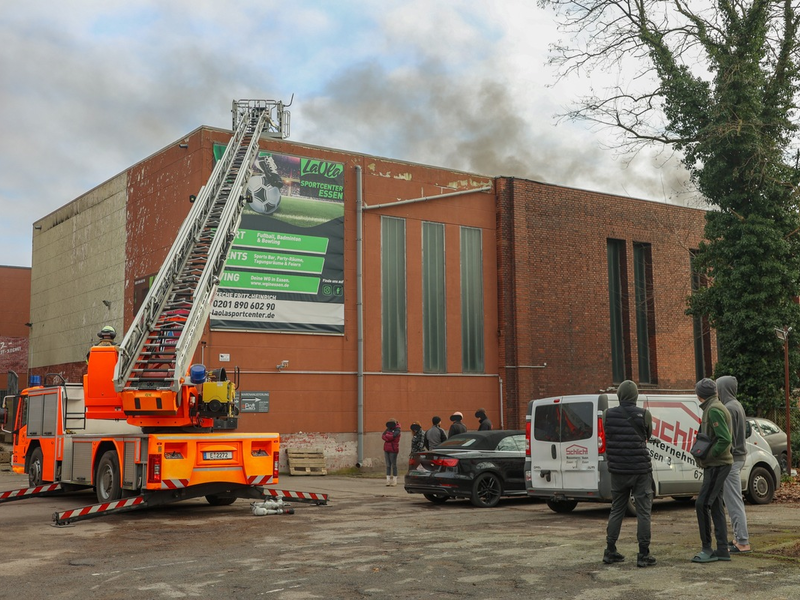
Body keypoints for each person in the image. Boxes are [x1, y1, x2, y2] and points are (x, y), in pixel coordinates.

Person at [602, 380, 657, 568]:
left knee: (617, 509)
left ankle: (610, 550)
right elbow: (648, 435)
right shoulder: (644, 415)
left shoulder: (607, 415)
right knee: (643, 512)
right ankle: (643, 554)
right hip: (640, 470)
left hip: (617, 470)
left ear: (619, 395)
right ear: (635, 396)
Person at [691, 378, 733, 563]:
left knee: (702, 504)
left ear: (701, 394)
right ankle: (722, 549)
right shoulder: (713, 406)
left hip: (717, 464)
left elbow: (724, 439)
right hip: (717, 463)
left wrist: (710, 456)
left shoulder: (714, 409)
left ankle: (707, 548)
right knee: (715, 504)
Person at [717, 375, 752, 554]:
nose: (717, 391)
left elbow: (726, 438)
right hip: (740, 456)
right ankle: (738, 538)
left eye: (718, 388)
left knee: (733, 501)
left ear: (723, 389)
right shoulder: (737, 405)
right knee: (733, 499)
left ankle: (743, 541)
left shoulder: (728, 408)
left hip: (731, 459)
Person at [382, 419, 401, 486]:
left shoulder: (397, 430)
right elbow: (383, 436)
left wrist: (387, 436)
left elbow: (393, 437)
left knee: (394, 465)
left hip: (393, 449)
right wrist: (388, 436)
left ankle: (394, 480)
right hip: (386, 448)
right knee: (388, 465)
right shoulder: (388, 429)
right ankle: (388, 480)